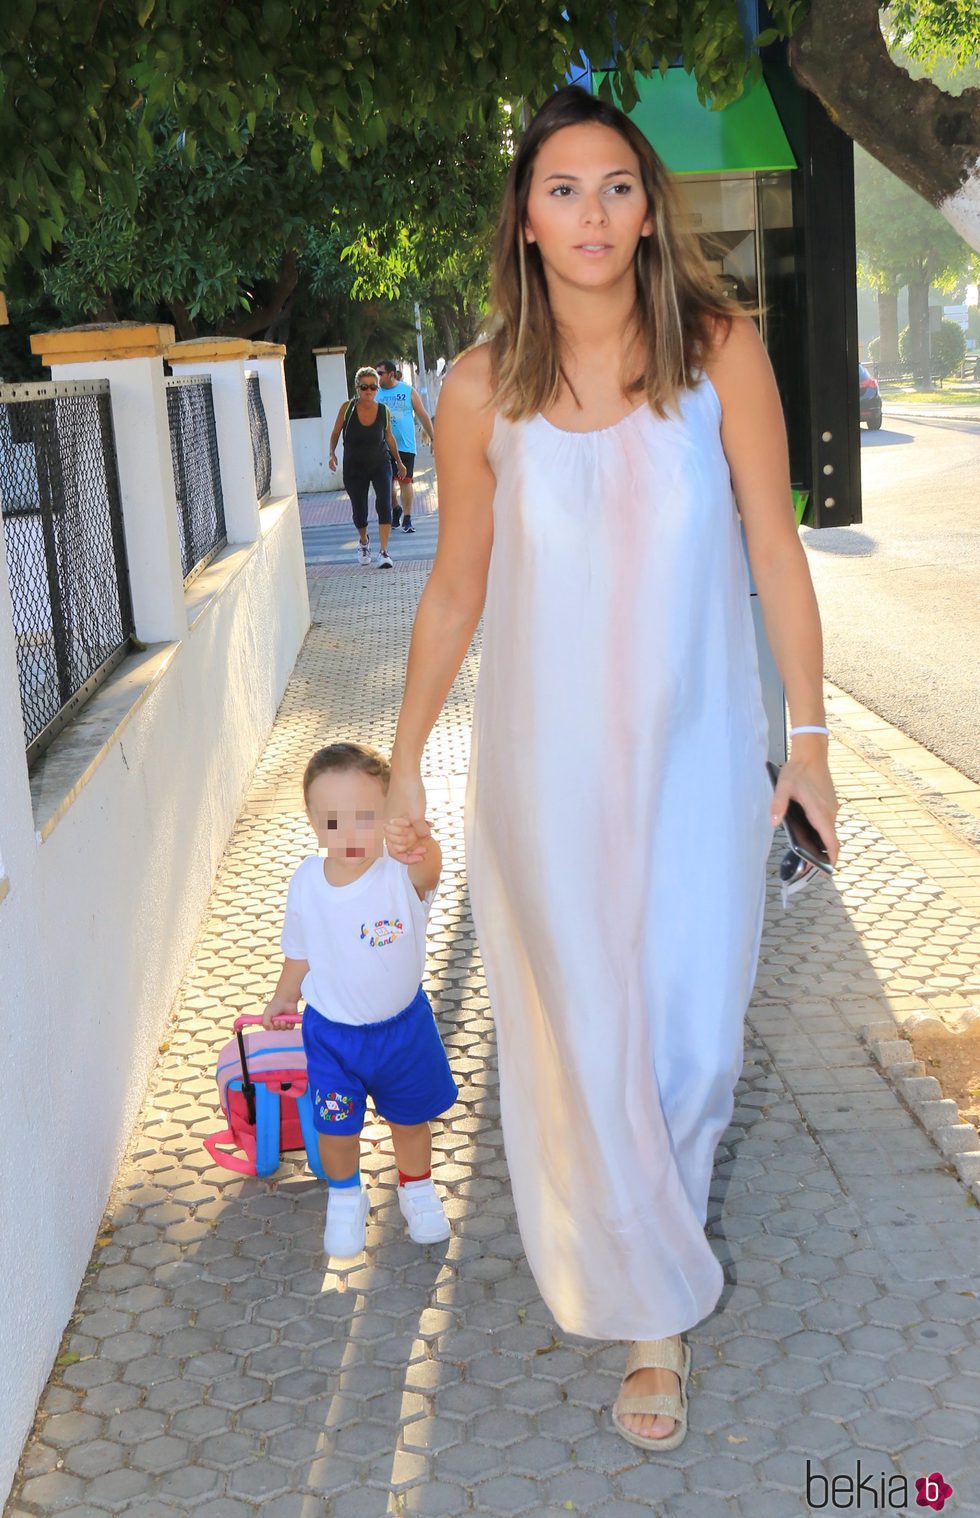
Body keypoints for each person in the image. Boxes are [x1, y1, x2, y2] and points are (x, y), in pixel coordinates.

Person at [383, 86, 839, 1451]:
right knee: (586, 1037)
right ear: (524, 218)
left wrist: (808, 737)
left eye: (617, 186)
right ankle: (653, 1312)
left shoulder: (719, 351)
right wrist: (403, 761)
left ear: (650, 207)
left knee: (690, 1029)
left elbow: (773, 546)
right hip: (546, 774)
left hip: (700, 764)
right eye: (564, 188)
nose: (594, 213)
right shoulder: (478, 387)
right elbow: (458, 586)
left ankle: (651, 1265)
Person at [261, 741, 457, 1258]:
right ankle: (347, 1196)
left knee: (410, 1122)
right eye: (333, 822)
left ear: (388, 812)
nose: (349, 835)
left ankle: (415, 1187)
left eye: (365, 817)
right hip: (332, 1038)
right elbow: (300, 952)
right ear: (311, 820)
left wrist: (419, 841)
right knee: (336, 1129)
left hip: (403, 1032)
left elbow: (430, 869)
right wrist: (284, 998)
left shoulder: (400, 873)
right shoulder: (306, 883)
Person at [328, 367, 407, 568]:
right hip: (354, 466)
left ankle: (384, 552)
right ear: (357, 388)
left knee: (384, 503)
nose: (369, 391)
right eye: (365, 387)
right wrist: (332, 453)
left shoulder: (383, 411)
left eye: (373, 387)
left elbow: (389, 437)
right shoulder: (347, 408)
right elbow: (336, 432)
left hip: (381, 463)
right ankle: (364, 542)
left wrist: (399, 461)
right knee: (359, 508)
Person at [376, 360, 435, 533]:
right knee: (387, 484)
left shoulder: (407, 391)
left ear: (391, 374)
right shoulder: (375, 393)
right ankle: (396, 509)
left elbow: (423, 415)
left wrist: (434, 439)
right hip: (382, 447)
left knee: (405, 481)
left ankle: (407, 518)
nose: (378, 377)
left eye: (381, 373)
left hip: (405, 446)